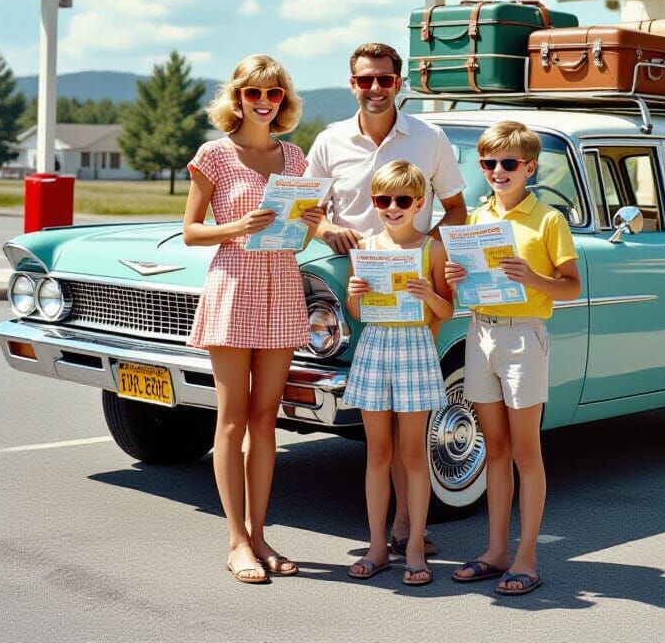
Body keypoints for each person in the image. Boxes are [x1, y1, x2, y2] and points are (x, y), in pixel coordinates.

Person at [307, 42, 466, 555]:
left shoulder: (429, 136)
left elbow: (457, 209)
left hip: (418, 295)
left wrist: (431, 256)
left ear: (400, 83)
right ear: (352, 84)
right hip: (355, 294)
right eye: (364, 80)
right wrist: (329, 228)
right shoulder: (330, 140)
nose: (375, 88)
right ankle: (389, 536)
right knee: (380, 440)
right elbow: (307, 210)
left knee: (410, 435)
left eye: (384, 79)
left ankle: (408, 530)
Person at [182, 54, 322, 585]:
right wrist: (238, 224)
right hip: (234, 285)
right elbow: (192, 231)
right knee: (232, 419)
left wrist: (309, 223)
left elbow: (300, 237)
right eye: (254, 94)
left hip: (283, 285)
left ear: (283, 101)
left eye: (274, 95)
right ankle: (236, 540)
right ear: (237, 98)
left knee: (267, 420)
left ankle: (260, 534)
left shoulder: (293, 156)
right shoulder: (214, 155)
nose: (264, 103)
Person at [446, 120, 581, 597]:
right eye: (488, 163)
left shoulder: (548, 219)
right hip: (479, 331)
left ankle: (527, 557)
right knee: (494, 450)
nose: (497, 171)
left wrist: (531, 277)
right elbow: (467, 284)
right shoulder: (476, 217)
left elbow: (571, 286)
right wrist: (455, 273)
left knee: (526, 452)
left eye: (507, 163)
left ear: (529, 166)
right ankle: (495, 551)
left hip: (524, 337)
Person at [343, 161, 453, 587]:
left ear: (419, 203)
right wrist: (354, 296)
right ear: (374, 202)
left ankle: (412, 546)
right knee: (377, 453)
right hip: (374, 347)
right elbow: (357, 313)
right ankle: (375, 546)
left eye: (402, 200)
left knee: (413, 455)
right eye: (382, 200)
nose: (392, 208)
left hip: (415, 349)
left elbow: (448, 309)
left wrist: (429, 294)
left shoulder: (432, 249)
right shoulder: (366, 247)